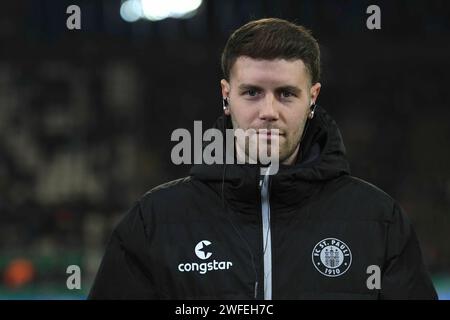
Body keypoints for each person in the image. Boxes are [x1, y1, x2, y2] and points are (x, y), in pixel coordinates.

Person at [88, 18, 437, 300]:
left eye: (286, 94)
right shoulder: (155, 221)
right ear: (227, 96)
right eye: (252, 92)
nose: (268, 111)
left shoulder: (379, 221)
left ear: (312, 98)